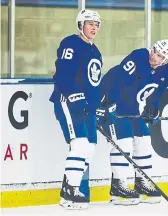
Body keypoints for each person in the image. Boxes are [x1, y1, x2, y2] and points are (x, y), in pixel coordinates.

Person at [96, 39, 168, 205]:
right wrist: (106, 104)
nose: (154, 57)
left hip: (131, 107)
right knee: (124, 143)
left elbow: (158, 90)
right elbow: (117, 80)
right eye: (155, 51)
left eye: (160, 56)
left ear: (166, 60)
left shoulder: (167, 69)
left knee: (144, 140)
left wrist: (153, 108)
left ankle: (142, 183)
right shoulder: (139, 56)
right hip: (112, 103)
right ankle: (118, 187)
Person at [49, 9, 103, 209]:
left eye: (97, 24)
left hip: (86, 107)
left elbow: (94, 83)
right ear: (81, 25)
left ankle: (68, 191)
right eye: (90, 23)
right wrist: (76, 97)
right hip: (68, 102)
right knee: (80, 144)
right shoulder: (71, 43)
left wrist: (99, 106)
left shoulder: (95, 51)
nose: (94, 28)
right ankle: (71, 190)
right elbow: (62, 76)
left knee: (88, 148)